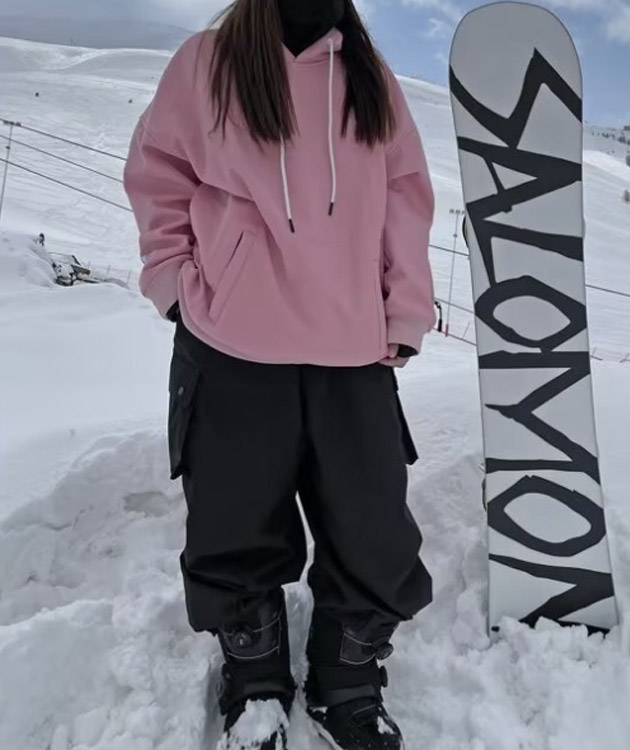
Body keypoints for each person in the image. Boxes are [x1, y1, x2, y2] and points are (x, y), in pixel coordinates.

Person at [123, 1, 435, 748]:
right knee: (234, 522)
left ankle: (347, 678)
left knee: (372, 526)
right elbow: (159, 173)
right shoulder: (207, 63)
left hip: (352, 349)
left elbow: (404, 197)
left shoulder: (368, 76)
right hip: (230, 345)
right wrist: (173, 282)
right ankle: (256, 678)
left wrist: (404, 309)